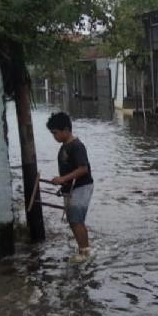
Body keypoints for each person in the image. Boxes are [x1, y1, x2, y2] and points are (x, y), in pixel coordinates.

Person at [46, 112, 94, 263]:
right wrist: (63, 183)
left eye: (55, 133)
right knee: (73, 220)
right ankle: (83, 249)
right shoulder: (65, 147)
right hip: (72, 188)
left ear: (66, 129)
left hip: (82, 186)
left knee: (76, 220)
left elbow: (83, 169)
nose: (54, 136)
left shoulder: (77, 146)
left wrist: (62, 179)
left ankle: (85, 252)